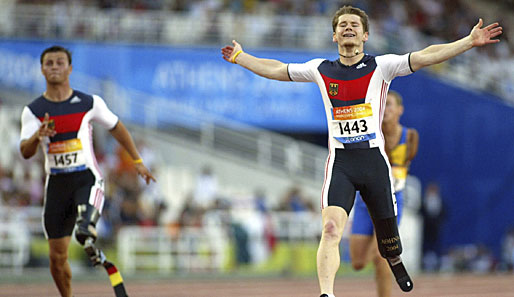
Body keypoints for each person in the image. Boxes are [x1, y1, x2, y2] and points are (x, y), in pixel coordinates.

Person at [221, 5, 501, 297]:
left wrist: (468, 42)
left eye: (354, 24)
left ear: (365, 35)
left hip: (374, 163)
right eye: (342, 25)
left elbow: (425, 55)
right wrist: (242, 57)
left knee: (389, 243)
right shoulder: (321, 69)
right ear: (334, 36)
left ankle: (394, 258)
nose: (348, 28)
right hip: (341, 163)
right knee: (330, 229)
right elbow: (278, 70)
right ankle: (327, 294)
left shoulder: (382, 67)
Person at [19, 45, 156, 297]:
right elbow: (25, 151)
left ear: (70, 68)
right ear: (42, 69)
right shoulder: (34, 111)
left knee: (84, 231)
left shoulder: (89, 102)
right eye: (49, 63)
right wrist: (38, 136)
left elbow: (117, 127)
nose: (54, 67)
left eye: (60, 62)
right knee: (56, 259)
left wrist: (137, 160)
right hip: (57, 185)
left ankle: (89, 232)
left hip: (87, 178)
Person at [349, 90, 418, 297]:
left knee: (382, 257)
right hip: (364, 202)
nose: (385, 109)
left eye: (389, 105)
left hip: (391, 202)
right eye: (383, 105)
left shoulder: (411, 136)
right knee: (358, 263)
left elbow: (404, 166)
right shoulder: (370, 133)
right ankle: (388, 253)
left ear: (400, 110)